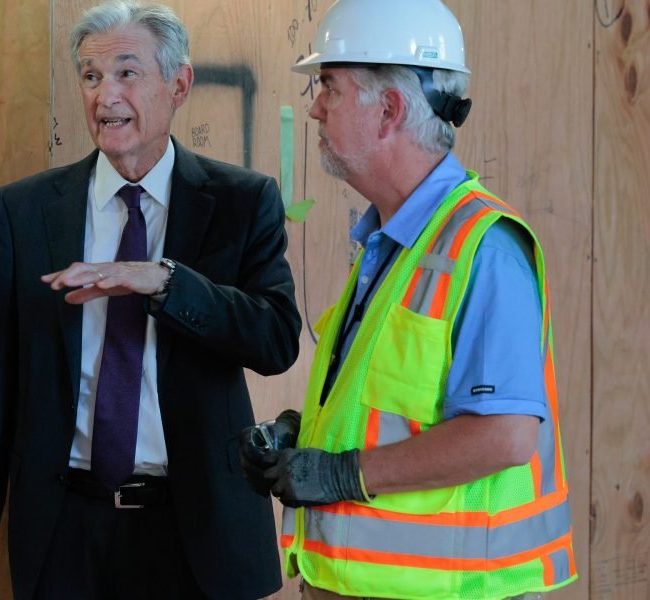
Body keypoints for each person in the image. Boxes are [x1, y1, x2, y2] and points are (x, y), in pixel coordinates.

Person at [0, 2, 302, 598]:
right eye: (91, 76)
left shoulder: (241, 201)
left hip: (197, 532)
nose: (105, 96)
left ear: (178, 85)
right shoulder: (27, 209)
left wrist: (166, 282)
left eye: (127, 73)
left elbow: (276, 340)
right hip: (65, 529)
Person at [240, 1, 576, 598]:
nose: (315, 107)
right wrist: (307, 440)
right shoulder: (392, 243)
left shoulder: (484, 248)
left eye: (330, 88)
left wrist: (341, 474)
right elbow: (385, 407)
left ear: (389, 110)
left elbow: (505, 435)